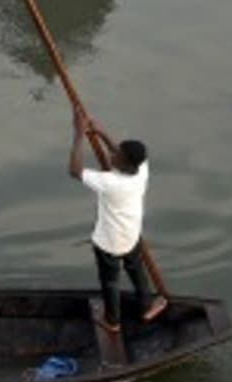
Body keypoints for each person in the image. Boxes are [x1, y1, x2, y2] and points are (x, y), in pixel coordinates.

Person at [68, 108, 166, 332]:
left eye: (116, 157)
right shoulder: (141, 170)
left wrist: (78, 134)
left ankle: (112, 321)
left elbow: (74, 170)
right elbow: (121, 153)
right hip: (131, 235)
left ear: (125, 163)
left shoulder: (110, 182)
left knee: (110, 281)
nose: (111, 156)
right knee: (136, 270)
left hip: (108, 243)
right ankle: (146, 306)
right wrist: (101, 132)